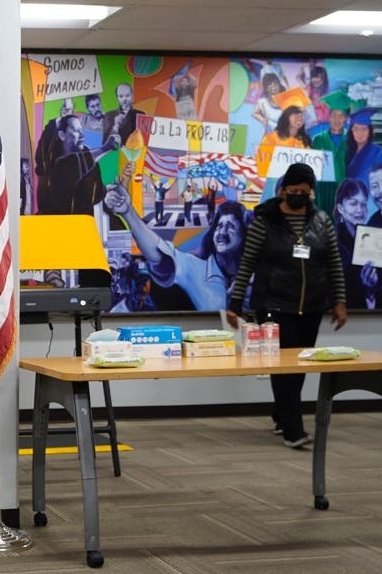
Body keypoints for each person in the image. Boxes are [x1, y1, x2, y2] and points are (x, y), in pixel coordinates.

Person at [225, 163, 347, 449]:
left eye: (304, 192)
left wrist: (340, 301)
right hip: (274, 305)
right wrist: (234, 303)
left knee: (300, 365)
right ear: (282, 191)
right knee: (284, 367)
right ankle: (294, 429)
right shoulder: (265, 221)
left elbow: (334, 264)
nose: (298, 196)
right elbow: (247, 264)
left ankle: (282, 414)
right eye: (293, 191)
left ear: (311, 193)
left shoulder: (322, 221)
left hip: (312, 306)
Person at [105, 181, 250, 311]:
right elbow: (158, 253)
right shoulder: (196, 269)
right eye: (219, 226)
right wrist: (128, 213)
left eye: (230, 226)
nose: (222, 232)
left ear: (243, 233)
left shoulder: (255, 272)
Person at [35, 114, 119, 214]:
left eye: (81, 130)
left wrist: (106, 193)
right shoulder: (51, 165)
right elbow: (70, 164)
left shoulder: (89, 159)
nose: (82, 135)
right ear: (62, 135)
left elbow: (94, 195)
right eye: (75, 130)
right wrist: (105, 148)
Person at [332, 178, 378, 309]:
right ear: (341, 208)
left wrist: (370, 289)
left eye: (363, 204)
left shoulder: (373, 239)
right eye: (353, 203)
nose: (360, 210)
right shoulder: (332, 241)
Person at [311, 106, 349, 183]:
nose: (337, 119)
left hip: (346, 188)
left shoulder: (352, 139)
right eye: (333, 115)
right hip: (323, 188)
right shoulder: (317, 139)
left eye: (341, 116)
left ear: (345, 118)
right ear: (329, 117)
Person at [345, 109, 382, 183]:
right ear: (351, 131)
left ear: (370, 131)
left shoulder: (378, 153)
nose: (360, 133)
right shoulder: (346, 151)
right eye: (356, 129)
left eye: (364, 129)